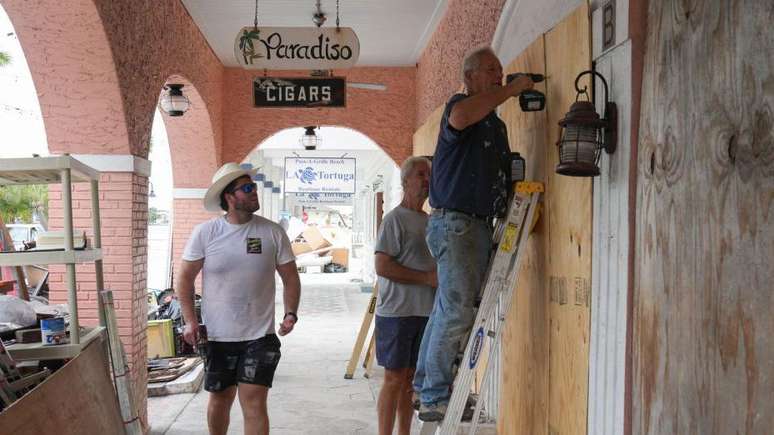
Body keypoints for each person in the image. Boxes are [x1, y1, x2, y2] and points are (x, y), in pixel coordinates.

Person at [413, 46, 534, 422]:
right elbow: (462, 116)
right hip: (459, 224)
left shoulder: (495, 125)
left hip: (474, 226)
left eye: (500, 70)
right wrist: (512, 90)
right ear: (469, 77)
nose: (498, 75)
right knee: (456, 313)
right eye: (490, 70)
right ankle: (435, 396)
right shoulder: (460, 106)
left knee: (446, 311)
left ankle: (425, 387)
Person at [177, 162, 301, 435]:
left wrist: (290, 313)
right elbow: (184, 279)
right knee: (221, 399)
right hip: (218, 336)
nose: (254, 191)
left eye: (253, 186)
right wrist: (189, 321)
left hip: (259, 335)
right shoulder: (206, 233)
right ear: (229, 197)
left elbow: (291, 277)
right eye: (247, 188)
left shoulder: (272, 232)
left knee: (254, 401)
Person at [373, 156, 437, 435]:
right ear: (405, 181)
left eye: (430, 176)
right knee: (393, 378)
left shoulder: (431, 221)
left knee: (411, 380)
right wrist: (425, 278)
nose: (427, 180)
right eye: (421, 174)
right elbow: (382, 265)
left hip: (425, 311)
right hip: (396, 313)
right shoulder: (394, 220)